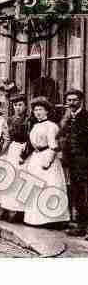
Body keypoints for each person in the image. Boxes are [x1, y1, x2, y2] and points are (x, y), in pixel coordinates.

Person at [24, 97, 70, 226]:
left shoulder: (52, 126)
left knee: (50, 186)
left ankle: (52, 219)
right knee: (35, 186)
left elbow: (53, 146)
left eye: (40, 110)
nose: (37, 112)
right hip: (36, 157)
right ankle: (36, 218)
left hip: (47, 158)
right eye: (35, 110)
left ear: (47, 111)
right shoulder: (35, 125)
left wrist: (48, 161)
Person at [59, 89, 88, 237]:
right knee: (77, 194)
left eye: (74, 100)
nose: (71, 103)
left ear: (81, 101)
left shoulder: (86, 117)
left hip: (84, 162)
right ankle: (81, 226)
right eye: (69, 100)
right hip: (72, 162)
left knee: (86, 193)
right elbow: (62, 137)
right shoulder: (67, 118)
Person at [0, 94, 31, 222]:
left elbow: (30, 137)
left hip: (24, 150)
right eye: (15, 105)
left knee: (22, 180)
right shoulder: (10, 120)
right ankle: (8, 208)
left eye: (20, 105)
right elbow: (7, 138)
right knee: (11, 179)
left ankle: (20, 211)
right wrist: (3, 152)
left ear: (25, 106)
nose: (18, 108)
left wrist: (25, 153)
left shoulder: (29, 120)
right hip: (13, 149)